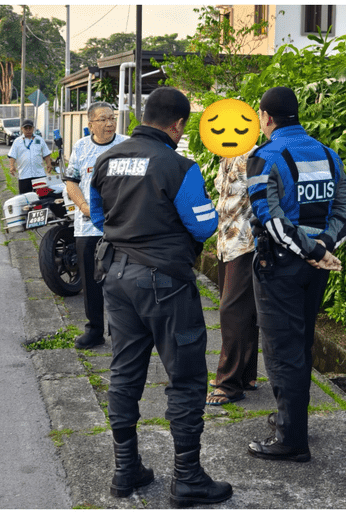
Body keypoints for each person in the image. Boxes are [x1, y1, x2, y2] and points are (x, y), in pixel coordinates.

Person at [89, 87, 232, 506]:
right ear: (178, 125)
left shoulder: (106, 159)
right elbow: (204, 225)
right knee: (186, 376)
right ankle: (187, 477)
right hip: (165, 283)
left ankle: (125, 469)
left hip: (115, 277)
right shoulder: (179, 166)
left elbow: (99, 216)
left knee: (124, 373)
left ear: (143, 115)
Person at [245, 86, 346, 462]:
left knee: (282, 350)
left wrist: (312, 251)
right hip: (315, 269)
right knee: (302, 344)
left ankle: (292, 441)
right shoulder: (328, 154)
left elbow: (270, 219)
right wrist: (323, 247)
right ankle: (289, 422)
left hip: (279, 266)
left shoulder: (265, 156)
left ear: (266, 117)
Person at [63, 102, 128, 350]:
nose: (110, 123)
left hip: (121, 226)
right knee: (91, 281)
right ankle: (95, 330)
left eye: (112, 118)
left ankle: (121, 331)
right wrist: (83, 206)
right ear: (90, 124)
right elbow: (71, 181)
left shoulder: (126, 144)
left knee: (121, 280)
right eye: (103, 119)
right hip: (88, 227)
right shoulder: (81, 147)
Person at [206, 147, 261, 406]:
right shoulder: (225, 156)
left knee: (232, 310)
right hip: (226, 241)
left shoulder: (253, 154)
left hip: (245, 242)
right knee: (244, 311)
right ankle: (246, 376)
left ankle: (229, 384)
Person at [8, 119, 53, 194]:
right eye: (26, 128)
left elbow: (46, 154)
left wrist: (49, 164)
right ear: (22, 129)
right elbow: (12, 155)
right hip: (24, 175)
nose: (28, 130)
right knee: (25, 198)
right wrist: (12, 166)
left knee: (41, 197)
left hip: (39, 174)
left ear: (33, 128)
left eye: (30, 128)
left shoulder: (39, 140)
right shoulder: (17, 141)